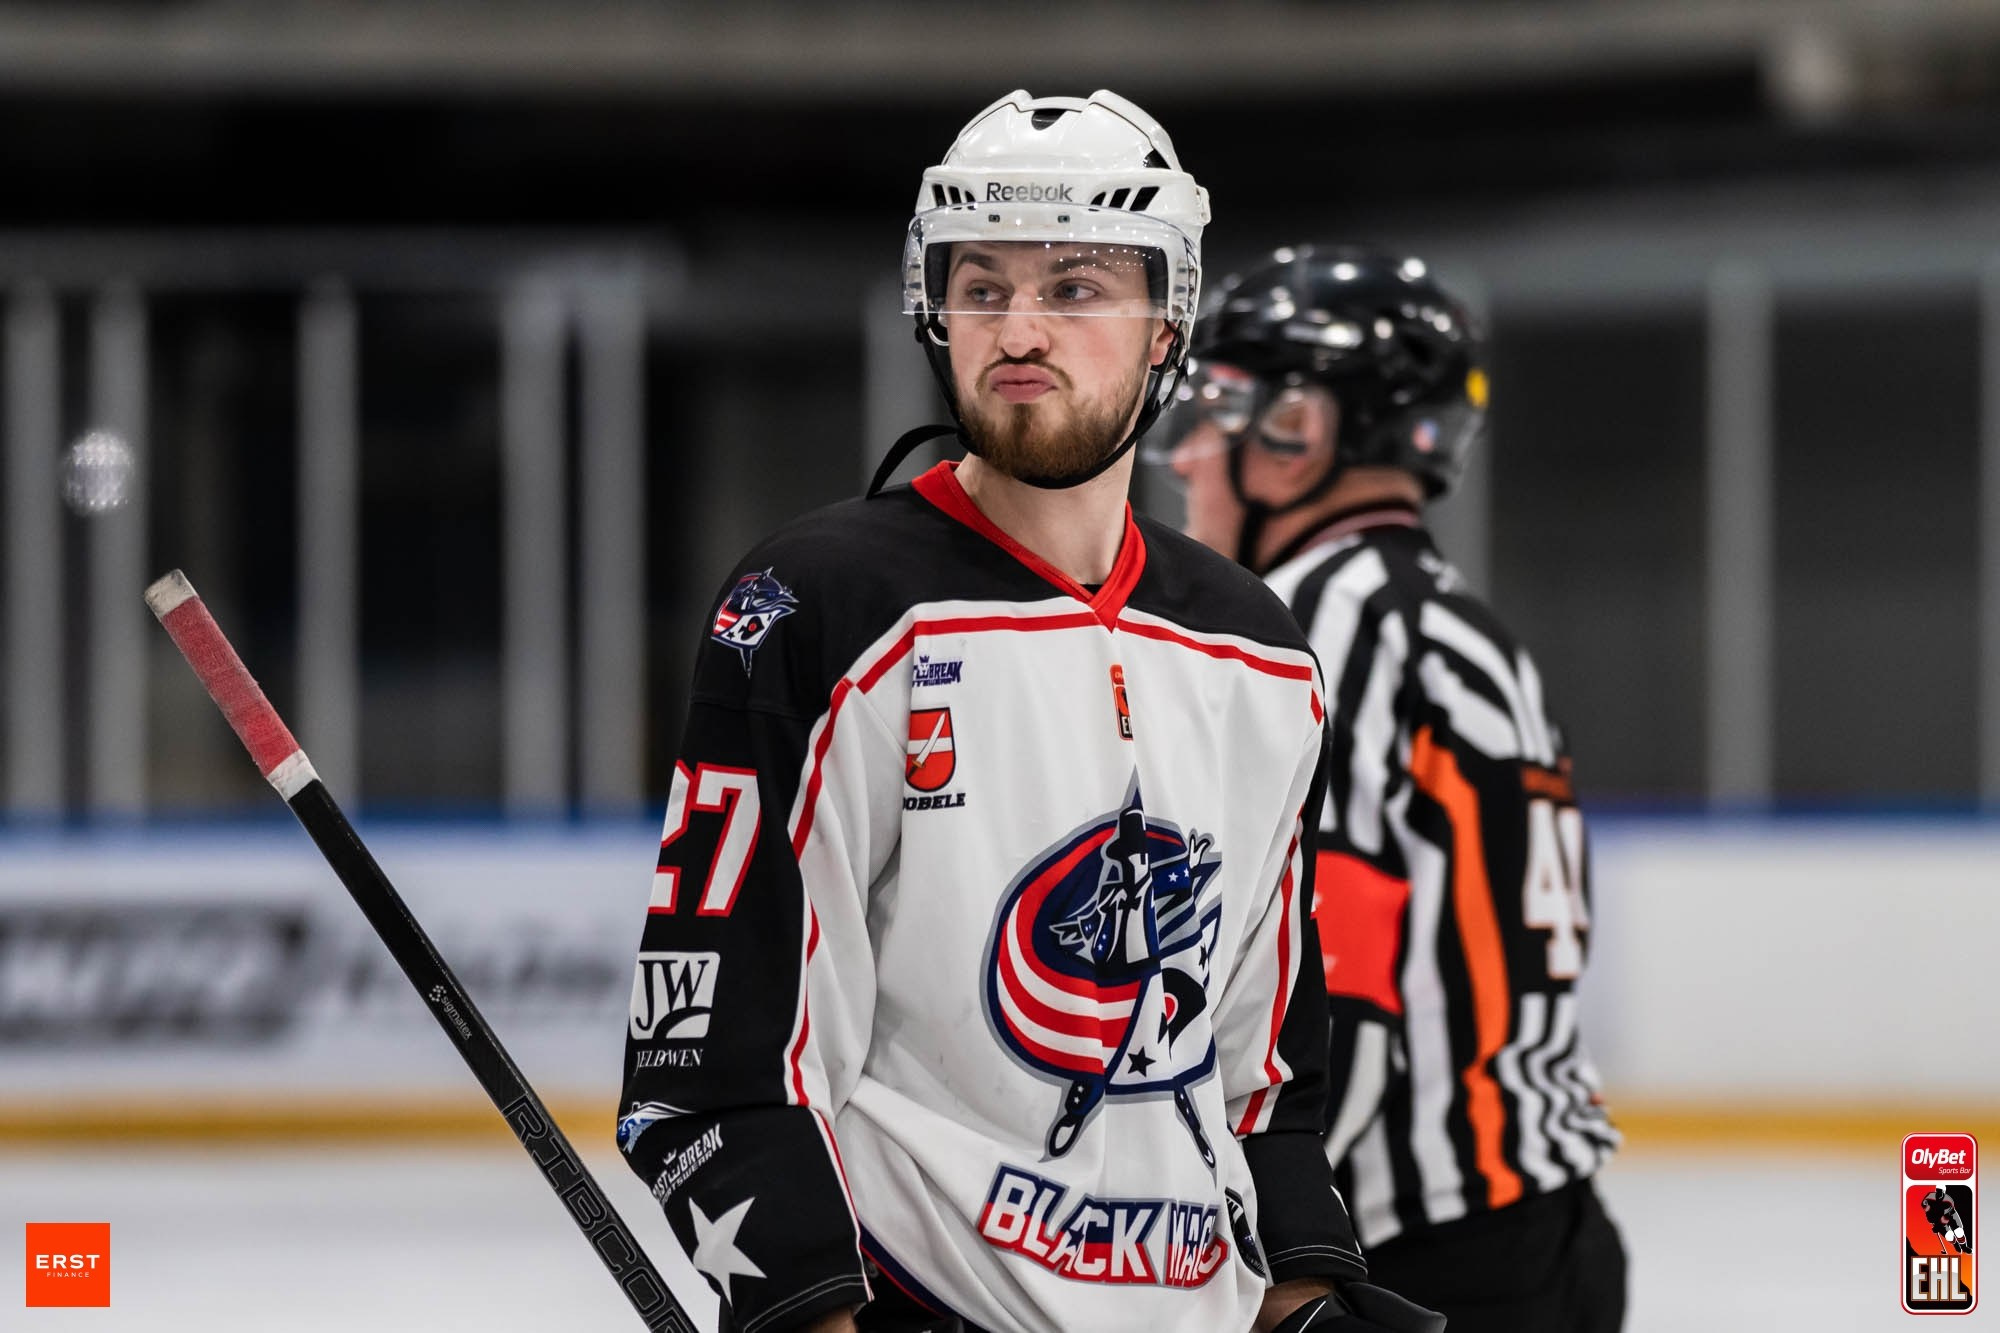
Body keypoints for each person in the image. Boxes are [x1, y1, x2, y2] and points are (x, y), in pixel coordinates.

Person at [618, 97, 1441, 1333]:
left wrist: (1304, 1294)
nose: (1017, 329)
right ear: (929, 304)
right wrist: (810, 1311)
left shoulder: (1252, 646)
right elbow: (715, 1060)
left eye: (1073, 288)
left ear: (1168, 319)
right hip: (922, 1297)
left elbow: (1262, 1071)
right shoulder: (824, 606)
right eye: (982, 286)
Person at [1157, 243, 1627, 1332]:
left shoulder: (1320, 625)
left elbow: (1340, 982)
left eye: (1222, 406)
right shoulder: (1459, 625)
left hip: (1416, 1258)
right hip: (1535, 1232)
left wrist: (1268, 1253)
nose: (1185, 457)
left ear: (1303, 428)